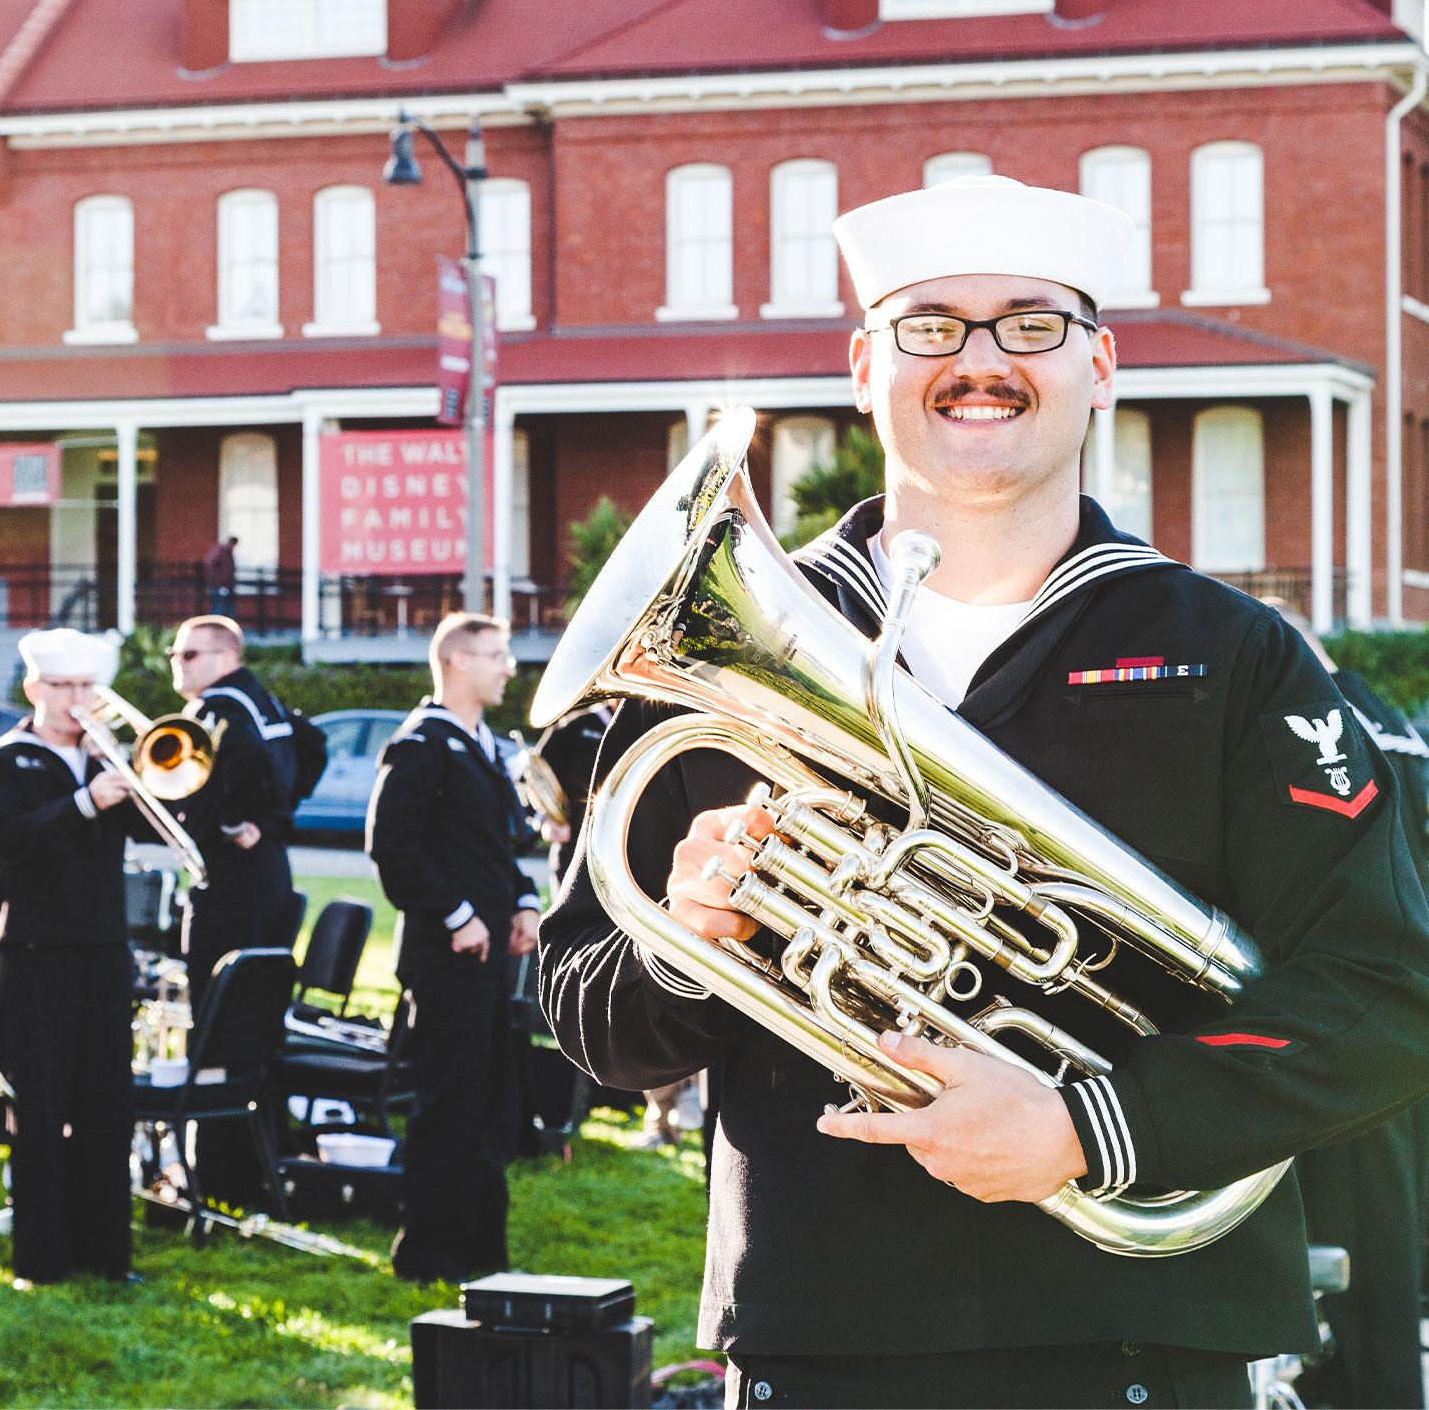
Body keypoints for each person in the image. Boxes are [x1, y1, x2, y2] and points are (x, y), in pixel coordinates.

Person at [539, 173, 1429, 1407]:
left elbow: (1383, 997)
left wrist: (1088, 1125)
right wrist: (691, 939)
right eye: (930, 326)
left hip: (1145, 1346)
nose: (978, 360)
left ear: (1098, 363)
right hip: (820, 1342)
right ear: (864, 366)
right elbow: (590, 1016)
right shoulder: (712, 659)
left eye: (1028, 323)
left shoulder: (1234, 653)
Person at [1266, 603, 1428, 1410]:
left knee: (1351, 1242)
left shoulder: (1316, 719)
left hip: (1345, 1007)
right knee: (1388, 1239)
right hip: (1402, 1006)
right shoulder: (1392, 715)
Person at [0, 627, 142, 1288]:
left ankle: (107, 1254)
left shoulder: (105, 758)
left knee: (108, 1108)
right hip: (37, 954)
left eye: (87, 686)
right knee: (38, 1111)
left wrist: (123, 773)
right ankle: (41, 1258)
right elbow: (9, 840)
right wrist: (83, 802)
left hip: (104, 950)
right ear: (35, 688)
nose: (77, 698)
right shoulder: (5, 761)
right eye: (63, 686)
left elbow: (159, 819)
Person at [367, 611, 541, 1284]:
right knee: (447, 1105)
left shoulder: (482, 742)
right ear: (459, 662)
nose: (508, 667)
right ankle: (430, 1255)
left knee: (489, 1102)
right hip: (447, 959)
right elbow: (391, 848)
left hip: (490, 957)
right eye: (496, 654)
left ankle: (480, 1253)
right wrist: (459, 914)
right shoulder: (420, 742)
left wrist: (523, 899)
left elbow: (493, 846)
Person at [165, 613, 298, 1019]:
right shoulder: (262, 700)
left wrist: (235, 822)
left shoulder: (217, 707)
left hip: (231, 877)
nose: (177, 662)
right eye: (174, 653)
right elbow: (312, 748)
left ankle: (214, 1081)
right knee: (252, 1001)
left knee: (217, 1001)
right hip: (267, 870)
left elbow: (247, 760)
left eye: (188, 654)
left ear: (224, 659)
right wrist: (272, 820)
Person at [200, 534, 238, 617]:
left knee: (227, 609)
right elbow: (209, 564)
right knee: (218, 607)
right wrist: (217, 581)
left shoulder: (228, 553)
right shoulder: (220, 551)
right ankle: (214, 627)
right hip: (219, 585)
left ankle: (224, 627)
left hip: (227, 585)